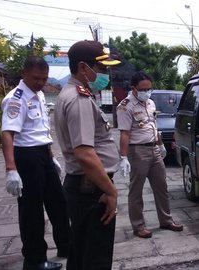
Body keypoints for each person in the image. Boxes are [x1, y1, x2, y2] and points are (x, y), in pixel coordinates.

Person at [54, 40, 120, 269]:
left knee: (81, 255)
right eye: (101, 69)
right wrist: (111, 191)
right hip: (92, 190)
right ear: (84, 67)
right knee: (95, 259)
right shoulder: (79, 99)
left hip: (85, 187)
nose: (105, 74)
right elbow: (84, 154)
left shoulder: (73, 93)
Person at [1, 56, 70, 270]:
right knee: (32, 210)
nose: (40, 82)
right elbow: (8, 134)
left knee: (58, 202)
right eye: (36, 78)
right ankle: (34, 260)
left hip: (42, 153)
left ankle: (67, 246)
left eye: (44, 78)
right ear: (24, 74)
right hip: (26, 156)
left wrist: (51, 157)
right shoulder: (16, 98)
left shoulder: (39, 95)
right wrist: (11, 169)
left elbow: (41, 130)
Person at [117, 71, 183, 238]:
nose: (146, 92)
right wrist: (123, 157)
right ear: (134, 88)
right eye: (143, 89)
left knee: (162, 187)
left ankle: (166, 220)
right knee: (136, 191)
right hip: (138, 151)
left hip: (154, 149)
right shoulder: (126, 106)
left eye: (149, 88)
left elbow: (153, 126)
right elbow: (124, 133)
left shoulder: (150, 103)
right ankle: (138, 226)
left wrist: (160, 145)